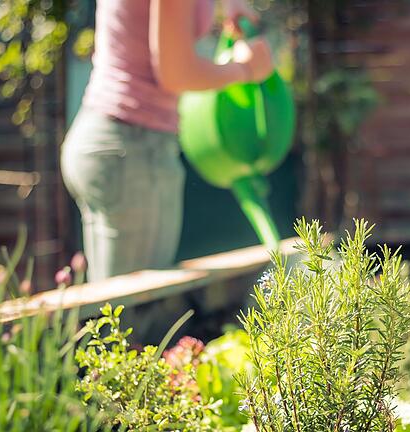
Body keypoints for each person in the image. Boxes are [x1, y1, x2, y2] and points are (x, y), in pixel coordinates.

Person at [61, 0, 274, 282]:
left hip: (106, 138)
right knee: (129, 315)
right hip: (133, 149)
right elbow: (176, 74)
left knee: (110, 310)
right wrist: (246, 69)